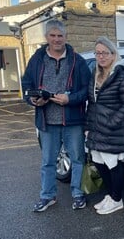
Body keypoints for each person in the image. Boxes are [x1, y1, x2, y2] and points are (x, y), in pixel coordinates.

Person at [22, 19, 90, 212]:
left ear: (65, 37)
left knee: (78, 159)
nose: (57, 39)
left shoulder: (78, 61)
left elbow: (87, 90)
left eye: (60, 36)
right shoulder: (37, 59)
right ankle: (47, 196)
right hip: (47, 120)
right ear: (47, 37)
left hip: (73, 119)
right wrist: (33, 100)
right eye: (52, 35)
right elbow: (26, 84)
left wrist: (70, 99)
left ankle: (78, 193)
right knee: (48, 162)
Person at [84, 36, 124, 215]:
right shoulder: (95, 74)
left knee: (113, 164)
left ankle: (117, 199)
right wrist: (87, 127)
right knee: (99, 163)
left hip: (113, 130)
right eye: (97, 53)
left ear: (113, 54)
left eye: (105, 53)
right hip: (96, 129)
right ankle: (110, 194)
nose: (101, 57)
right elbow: (92, 104)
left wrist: (111, 123)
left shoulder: (122, 75)